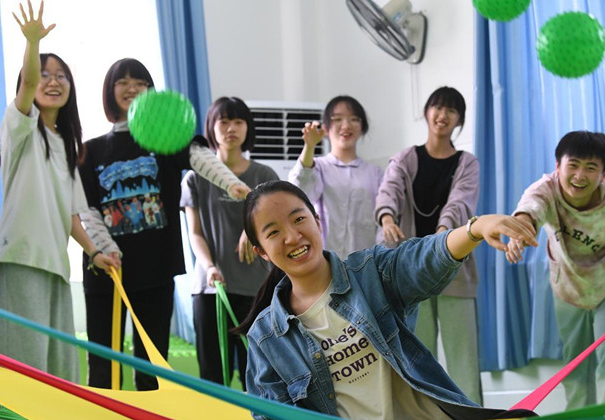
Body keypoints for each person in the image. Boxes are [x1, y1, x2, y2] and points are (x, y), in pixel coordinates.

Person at [233, 180, 538, 420]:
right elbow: (272, 414)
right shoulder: (266, 338)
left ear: (317, 220)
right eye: (273, 232)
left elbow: (421, 259)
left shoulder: (370, 273)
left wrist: (475, 229)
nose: (292, 236)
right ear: (261, 251)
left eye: (298, 219)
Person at [78, 59, 249, 390]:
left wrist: (231, 183)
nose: (131, 88)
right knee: (102, 364)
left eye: (140, 82)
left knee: (152, 364)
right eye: (123, 82)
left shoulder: (166, 141)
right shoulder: (91, 150)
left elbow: (200, 158)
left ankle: (149, 411)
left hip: (155, 270)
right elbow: (87, 209)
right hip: (105, 271)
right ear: (109, 91)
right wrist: (105, 249)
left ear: (151, 91)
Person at [0, 0, 116, 383]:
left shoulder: (66, 145)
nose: (53, 81)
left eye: (62, 76)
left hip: (56, 266)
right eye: (45, 74)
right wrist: (32, 42)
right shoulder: (20, 125)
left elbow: (72, 214)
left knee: (59, 370)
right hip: (21, 259)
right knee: (23, 366)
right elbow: (27, 84)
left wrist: (95, 252)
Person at [505, 131, 605, 417]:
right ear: (558, 166)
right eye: (573, 165)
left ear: (604, 174)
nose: (579, 175)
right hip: (569, 282)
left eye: (590, 168)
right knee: (575, 360)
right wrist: (519, 232)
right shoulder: (546, 189)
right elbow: (529, 209)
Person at [374, 86, 483, 403]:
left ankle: (471, 413)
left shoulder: (467, 163)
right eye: (438, 107)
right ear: (426, 112)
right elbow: (388, 191)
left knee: (463, 359)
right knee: (419, 361)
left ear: (459, 120)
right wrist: (386, 218)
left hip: (455, 270)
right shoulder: (404, 159)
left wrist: (443, 236)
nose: (443, 115)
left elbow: (460, 202)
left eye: (452, 110)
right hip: (411, 274)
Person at [181, 97, 278, 388]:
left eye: (238, 121)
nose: (231, 128)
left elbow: (275, 224)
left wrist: (252, 226)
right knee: (211, 375)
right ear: (211, 127)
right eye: (223, 121)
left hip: (255, 288)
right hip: (210, 287)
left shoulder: (264, 176)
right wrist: (209, 266)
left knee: (259, 375)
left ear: (248, 128)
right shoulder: (194, 178)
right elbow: (195, 233)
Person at [288, 95, 383, 259]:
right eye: (337, 119)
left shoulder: (375, 173)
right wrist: (309, 147)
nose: (346, 125)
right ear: (326, 128)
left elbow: (382, 222)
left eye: (354, 119)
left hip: (366, 263)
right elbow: (298, 192)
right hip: (324, 262)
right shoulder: (318, 166)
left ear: (362, 127)